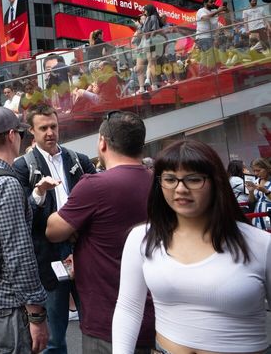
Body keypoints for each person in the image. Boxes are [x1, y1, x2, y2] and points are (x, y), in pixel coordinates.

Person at [112, 140, 271, 353]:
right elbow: (129, 307)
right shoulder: (141, 237)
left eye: (193, 179)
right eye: (169, 179)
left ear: (216, 182)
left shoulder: (261, 243)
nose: (180, 189)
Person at [46, 111, 155, 352]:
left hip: (108, 321)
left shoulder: (95, 186)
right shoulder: (160, 183)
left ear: (102, 142)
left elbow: (54, 230)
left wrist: (77, 227)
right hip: (157, 318)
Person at [11, 104, 96, 354]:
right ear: (32, 131)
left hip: (82, 247)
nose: (50, 132)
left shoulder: (78, 160)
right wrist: (38, 191)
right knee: (53, 335)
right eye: (44, 128)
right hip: (48, 254)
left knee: (95, 323)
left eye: (54, 127)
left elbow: (97, 195)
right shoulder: (22, 167)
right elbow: (22, 214)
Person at [0, 107, 48, 353]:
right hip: (6, 305)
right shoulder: (6, 184)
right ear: (12, 135)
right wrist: (36, 313)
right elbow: (18, 254)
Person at [246, 157, 271, 229]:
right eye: (254, 171)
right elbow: (251, 202)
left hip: (268, 214)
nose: (256, 173)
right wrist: (251, 192)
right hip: (257, 215)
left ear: (267, 168)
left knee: (268, 234)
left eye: (258, 170)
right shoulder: (256, 181)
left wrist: (265, 191)